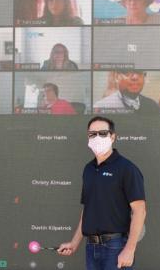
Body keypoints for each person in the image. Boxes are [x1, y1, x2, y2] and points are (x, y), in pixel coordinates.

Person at [58, 116, 147, 270]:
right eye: (92, 134)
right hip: (91, 247)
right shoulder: (88, 169)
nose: (97, 137)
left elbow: (140, 211)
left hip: (116, 246)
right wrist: (74, 243)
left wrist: (129, 249)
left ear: (113, 137)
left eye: (102, 133)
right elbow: (87, 210)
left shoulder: (127, 169)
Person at [94, 71, 160, 115]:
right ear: (117, 77)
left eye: (140, 72)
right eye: (127, 72)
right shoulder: (102, 107)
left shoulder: (153, 106)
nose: (135, 77)